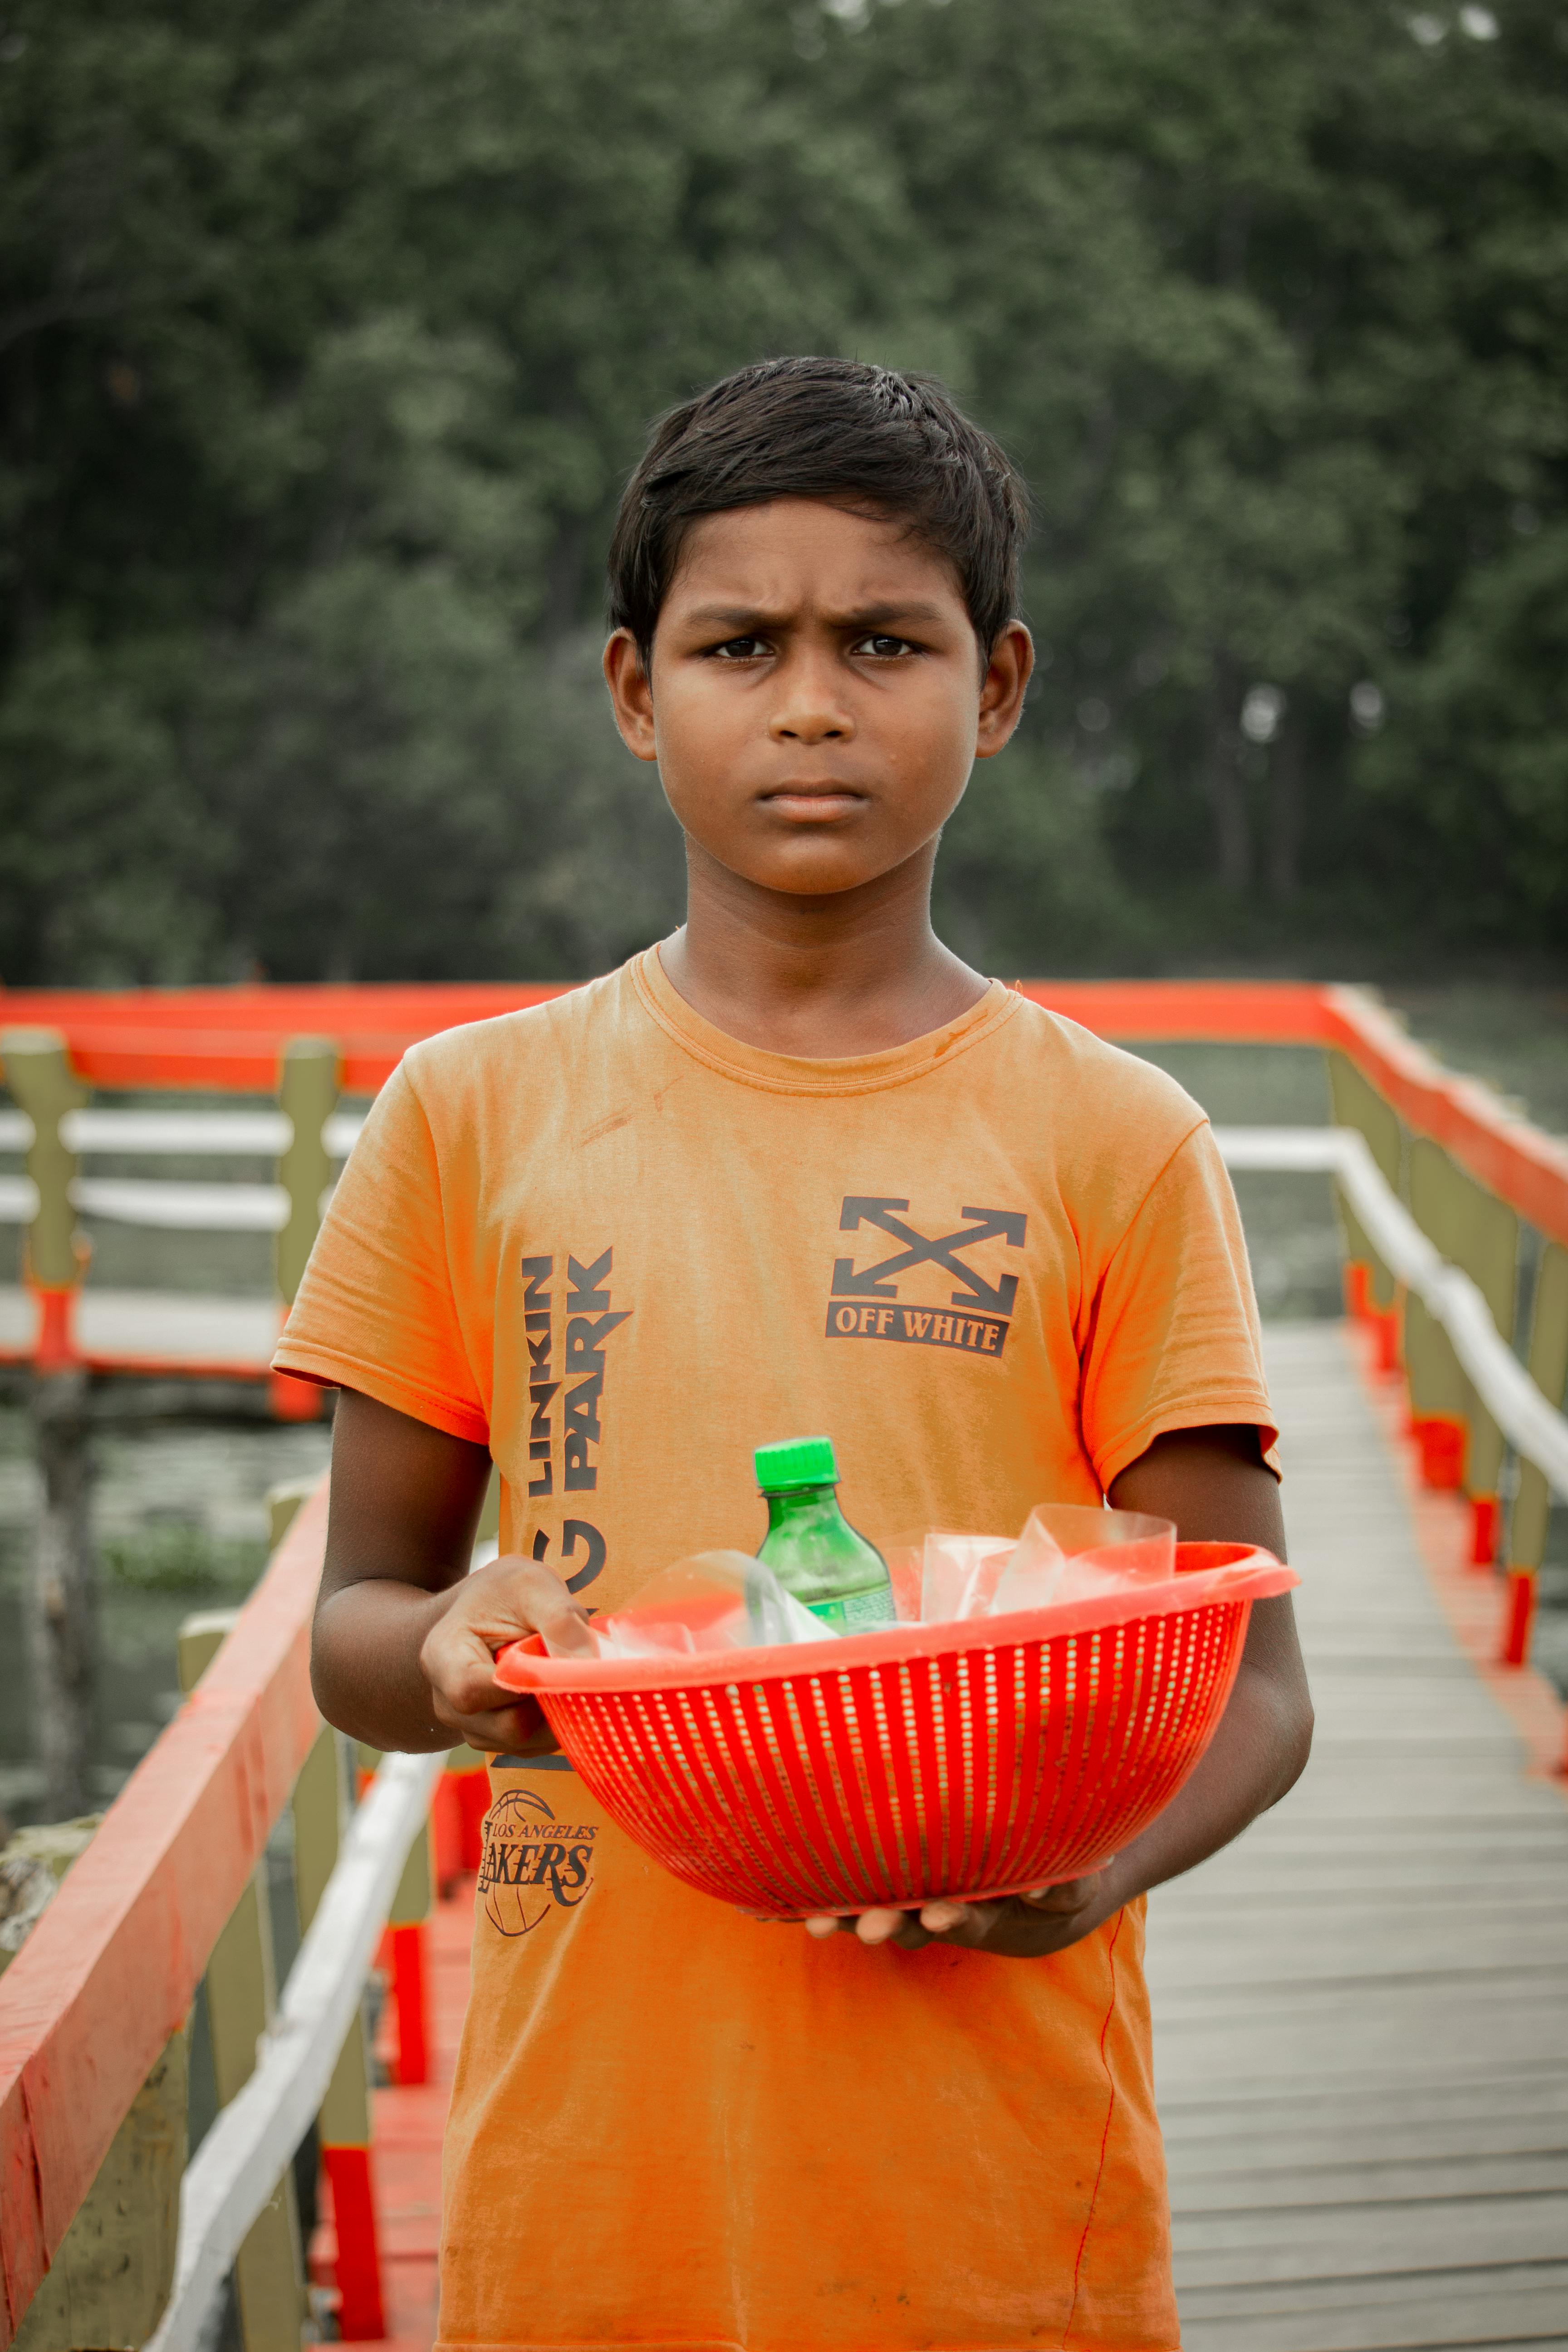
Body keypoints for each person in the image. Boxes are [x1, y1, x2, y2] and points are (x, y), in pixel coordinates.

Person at [277, 357, 1313, 2352]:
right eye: (741, 643)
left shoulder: (1116, 1142)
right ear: (633, 692)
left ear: (996, 689)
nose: (814, 701)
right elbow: (354, 1632)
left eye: (885, 642)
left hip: (1000, 2188)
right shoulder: (467, 1115)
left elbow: (1256, 1687)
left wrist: (1090, 1878)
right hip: (592, 2188)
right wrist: (440, 1652)